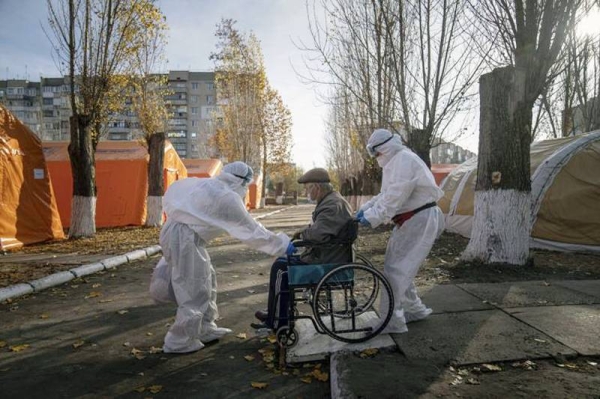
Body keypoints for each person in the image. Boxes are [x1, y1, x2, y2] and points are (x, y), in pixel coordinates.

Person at [149, 161, 297, 353]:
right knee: (193, 288)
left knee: (206, 279)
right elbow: (251, 230)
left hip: (182, 236)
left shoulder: (210, 185)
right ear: (241, 181)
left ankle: (204, 328)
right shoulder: (226, 196)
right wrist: (282, 245)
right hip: (185, 239)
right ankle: (179, 340)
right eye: (246, 184)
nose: (245, 189)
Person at [356, 128, 445, 334]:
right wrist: (363, 210)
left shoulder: (403, 160)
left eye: (376, 153)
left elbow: (395, 197)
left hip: (419, 219)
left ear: (385, 148)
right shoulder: (395, 162)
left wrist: (372, 217)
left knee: (396, 270)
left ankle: (392, 321)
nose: (376, 158)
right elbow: (384, 195)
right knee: (399, 267)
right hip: (412, 219)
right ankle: (414, 310)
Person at [252, 167, 354, 330]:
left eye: (308, 188)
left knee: (281, 269)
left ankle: (278, 321)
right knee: (281, 263)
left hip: (326, 263)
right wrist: (303, 233)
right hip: (328, 256)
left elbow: (318, 234)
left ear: (317, 188)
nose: (307, 192)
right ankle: (276, 311)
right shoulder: (332, 200)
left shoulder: (331, 205)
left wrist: (302, 235)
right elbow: (322, 229)